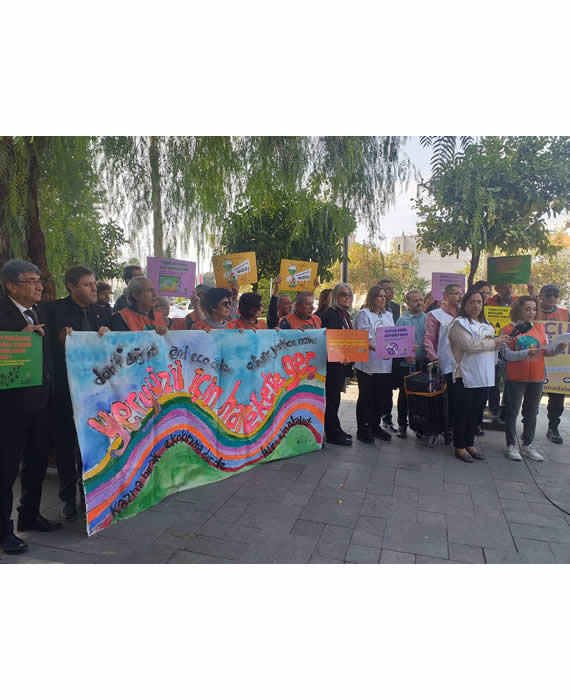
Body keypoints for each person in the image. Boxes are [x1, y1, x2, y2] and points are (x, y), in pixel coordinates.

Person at [0, 260, 62, 554]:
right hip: (10, 407)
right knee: (5, 470)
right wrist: (18, 340)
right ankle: (3, 531)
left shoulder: (38, 310)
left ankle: (30, 514)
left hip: (41, 403)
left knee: (36, 461)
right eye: (31, 281)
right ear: (12, 286)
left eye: (39, 280)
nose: (39, 286)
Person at [45, 265, 112, 520]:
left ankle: (90, 496)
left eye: (94, 283)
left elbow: (118, 349)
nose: (94, 288)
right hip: (64, 390)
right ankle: (67, 498)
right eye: (87, 284)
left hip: (95, 391)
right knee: (65, 445)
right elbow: (44, 345)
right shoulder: (53, 310)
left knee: (93, 443)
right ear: (72, 286)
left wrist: (109, 336)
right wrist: (59, 339)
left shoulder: (103, 313)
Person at [448, 289, 510, 462]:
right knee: (463, 413)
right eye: (472, 302)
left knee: (476, 413)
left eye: (479, 302)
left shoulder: (486, 323)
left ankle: (470, 443)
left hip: (485, 375)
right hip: (465, 376)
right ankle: (459, 446)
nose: (475, 305)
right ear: (464, 304)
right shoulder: (459, 324)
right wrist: (494, 342)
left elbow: (490, 346)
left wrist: (500, 343)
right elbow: (469, 345)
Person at [501, 295, 566, 461]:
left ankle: (527, 445)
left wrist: (559, 347)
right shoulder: (508, 329)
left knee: (531, 413)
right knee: (512, 412)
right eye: (527, 309)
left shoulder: (540, 328)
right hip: (515, 378)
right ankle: (511, 445)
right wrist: (526, 353)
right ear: (518, 310)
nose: (531, 312)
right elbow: (507, 355)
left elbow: (546, 352)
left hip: (537, 377)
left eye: (534, 309)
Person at [353, 285, 395, 443]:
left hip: (385, 364)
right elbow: (363, 339)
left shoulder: (388, 315)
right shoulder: (364, 314)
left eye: (384, 296)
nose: (383, 299)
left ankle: (375, 426)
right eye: (380, 296)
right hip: (368, 364)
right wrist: (380, 350)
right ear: (372, 298)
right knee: (366, 397)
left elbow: (394, 336)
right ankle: (363, 429)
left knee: (380, 398)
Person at [424, 283, 463, 442]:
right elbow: (429, 338)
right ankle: (447, 429)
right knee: (447, 399)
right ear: (446, 296)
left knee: (460, 398)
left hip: (464, 364)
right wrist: (434, 358)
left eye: (461, 293)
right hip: (445, 363)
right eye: (456, 293)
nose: (460, 296)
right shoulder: (436, 314)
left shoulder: (464, 314)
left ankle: (458, 428)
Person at [320, 284, 354, 446]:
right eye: (343, 294)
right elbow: (332, 340)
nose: (347, 297)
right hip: (332, 364)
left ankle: (335, 428)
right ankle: (332, 433)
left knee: (335, 398)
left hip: (340, 363)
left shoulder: (344, 314)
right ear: (335, 297)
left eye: (349, 295)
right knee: (332, 398)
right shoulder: (332, 314)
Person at [535, 284, 569, 444]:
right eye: (548, 295)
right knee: (532, 397)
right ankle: (528, 427)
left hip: (558, 363)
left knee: (557, 399)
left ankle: (553, 428)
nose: (552, 299)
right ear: (540, 296)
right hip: (536, 359)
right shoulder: (532, 311)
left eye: (555, 296)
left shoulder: (565, 313)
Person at [395, 290, 427, 438]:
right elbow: (395, 344)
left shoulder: (428, 318)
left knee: (422, 397)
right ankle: (402, 425)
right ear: (407, 303)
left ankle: (420, 427)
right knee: (405, 396)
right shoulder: (402, 321)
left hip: (424, 363)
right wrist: (404, 354)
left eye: (421, 299)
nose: (419, 303)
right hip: (406, 365)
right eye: (415, 300)